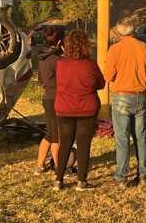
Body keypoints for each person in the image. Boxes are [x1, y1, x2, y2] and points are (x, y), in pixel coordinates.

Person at [104, 23, 146, 187]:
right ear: (134, 32)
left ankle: (121, 177)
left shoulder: (115, 49)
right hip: (140, 96)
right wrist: (145, 84)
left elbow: (108, 76)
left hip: (121, 96)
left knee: (122, 139)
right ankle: (143, 175)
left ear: (118, 34)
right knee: (141, 136)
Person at [52, 30, 105, 191]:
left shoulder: (60, 64)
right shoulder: (91, 64)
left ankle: (58, 179)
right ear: (86, 45)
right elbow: (101, 84)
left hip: (64, 108)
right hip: (87, 109)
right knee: (83, 145)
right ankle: (81, 181)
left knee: (65, 144)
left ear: (66, 46)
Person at [34, 26, 64, 174]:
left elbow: (40, 79)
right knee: (56, 136)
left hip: (47, 97)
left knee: (50, 133)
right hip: (56, 98)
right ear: (59, 42)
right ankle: (59, 168)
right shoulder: (58, 60)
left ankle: (40, 165)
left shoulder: (42, 58)